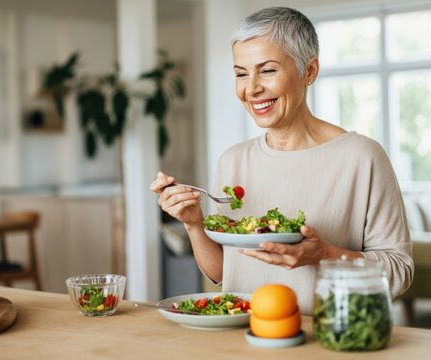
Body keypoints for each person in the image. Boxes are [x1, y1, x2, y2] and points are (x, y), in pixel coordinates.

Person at [150, 7, 413, 314]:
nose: (251, 88)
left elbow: (400, 271)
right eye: (240, 73)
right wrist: (194, 224)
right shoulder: (232, 161)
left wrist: (324, 254)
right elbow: (224, 274)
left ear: (310, 71)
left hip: (329, 336)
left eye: (268, 70)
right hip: (242, 335)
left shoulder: (362, 157)